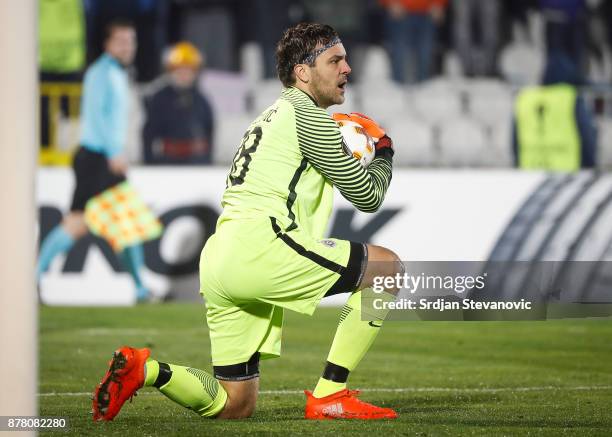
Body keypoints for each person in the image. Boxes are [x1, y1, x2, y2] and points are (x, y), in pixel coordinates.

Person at [92, 22, 403, 421]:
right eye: (335, 60)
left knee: (234, 405)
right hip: (261, 245)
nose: (347, 68)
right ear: (303, 72)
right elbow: (368, 196)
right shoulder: (307, 114)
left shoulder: (271, 115)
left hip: (222, 256)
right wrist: (383, 151)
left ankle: (147, 370)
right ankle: (331, 394)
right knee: (386, 268)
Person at [36, 19, 150, 301]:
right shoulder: (101, 72)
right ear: (107, 44)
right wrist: (114, 152)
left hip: (99, 156)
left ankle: (141, 289)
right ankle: (34, 277)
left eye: (130, 40)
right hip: (97, 157)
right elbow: (97, 116)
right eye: (121, 41)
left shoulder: (117, 73)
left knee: (126, 223)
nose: (127, 46)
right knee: (78, 222)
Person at [512, 52, 597, 171]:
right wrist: (590, 166)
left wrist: (517, 166)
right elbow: (587, 136)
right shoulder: (571, 98)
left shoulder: (525, 99)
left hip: (530, 170)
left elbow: (515, 140)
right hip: (568, 172)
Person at [142, 42, 215, 165]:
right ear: (171, 71)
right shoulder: (158, 99)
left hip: (196, 163)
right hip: (166, 162)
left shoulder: (202, 100)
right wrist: (149, 163)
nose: (184, 75)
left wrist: (207, 161)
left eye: (188, 70)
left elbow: (210, 134)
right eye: (180, 70)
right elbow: (147, 134)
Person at [380, 0, 447, 83]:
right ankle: (398, 87)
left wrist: (438, 3)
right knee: (399, 52)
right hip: (400, 11)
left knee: (426, 52)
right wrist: (391, 2)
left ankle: (424, 87)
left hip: (428, 12)